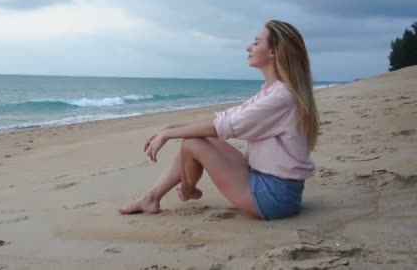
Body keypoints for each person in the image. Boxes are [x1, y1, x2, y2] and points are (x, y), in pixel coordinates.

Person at [119, 20, 319, 220]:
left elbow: (225, 126)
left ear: (273, 52)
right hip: (272, 185)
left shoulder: (281, 96)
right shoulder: (273, 90)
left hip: (273, 197)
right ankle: (152, 197)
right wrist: (172, 127)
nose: (249, 47)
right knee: (198, 137)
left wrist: (169, 134)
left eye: (257, 43)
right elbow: (227, 117)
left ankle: (187, 189)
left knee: (193, 142)